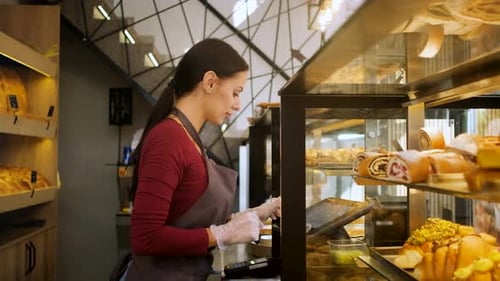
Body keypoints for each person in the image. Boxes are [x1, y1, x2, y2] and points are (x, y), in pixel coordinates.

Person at [117, 38, 281, 281]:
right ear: (210, 82)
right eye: (235, 93)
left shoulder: (188, 137)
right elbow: (146, 238)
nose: (237, 105)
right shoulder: (168, 138)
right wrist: (222, 234)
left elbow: (189, 219)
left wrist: (258, 212)